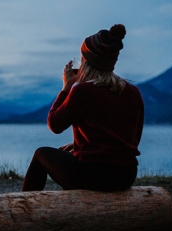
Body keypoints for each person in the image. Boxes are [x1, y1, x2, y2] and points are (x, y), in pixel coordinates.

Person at [22, 24, 144, 192]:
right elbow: (133, 138)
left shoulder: (84, 90)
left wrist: (66, 88)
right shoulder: (133, 92)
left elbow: (54, 124)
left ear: (87, 60)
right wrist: (80, 145)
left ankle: (25, 208)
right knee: (69, 155)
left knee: (40, 154)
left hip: (93, 175)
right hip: (126, 176)